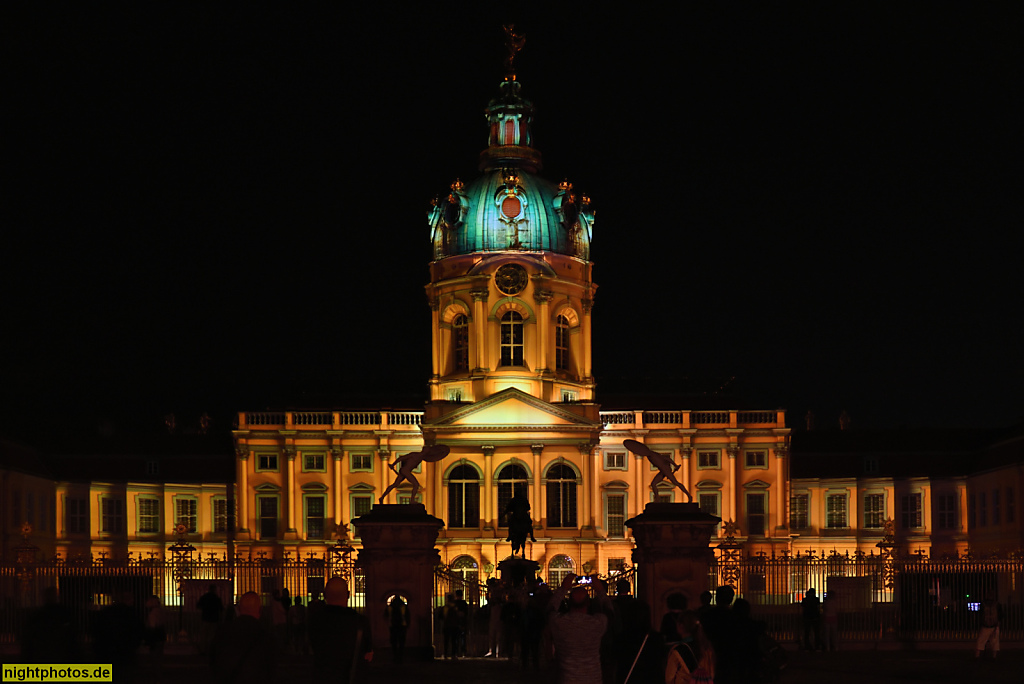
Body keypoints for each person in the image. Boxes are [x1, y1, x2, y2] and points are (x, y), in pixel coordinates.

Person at [547, 574, 609, 684]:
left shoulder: (559, 622)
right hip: (592, 679)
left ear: (568, 602)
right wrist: (600, 590)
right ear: (588, 603)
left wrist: (563, 589)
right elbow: (609, 611)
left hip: (567, 679)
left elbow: (550, 609)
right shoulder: (597, 623)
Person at [309, 577, 373, 683]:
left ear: (324, 595)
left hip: (324, 677)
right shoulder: (361, 622)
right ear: (347, 595)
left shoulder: (315, 620)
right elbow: (368, 654)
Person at [211, 591, 276, 683]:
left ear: (239, 609)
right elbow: (270, 669)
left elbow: (215, 662)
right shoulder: (265, 635)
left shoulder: (224, 632)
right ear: (259, 610)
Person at [196, 584, 223, 655]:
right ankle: (210, 650)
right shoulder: (216, 598)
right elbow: (221, 609)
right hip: (214, 619)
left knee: (204, 635)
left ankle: (203, 650)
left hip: (205, 618)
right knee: (211, 636)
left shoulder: (205, 597)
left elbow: (198, 605)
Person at [975, 593, 1002, 659]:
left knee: (980, 641)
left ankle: (977, 655)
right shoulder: (997, 604)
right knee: (995, 642)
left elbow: (980, 614)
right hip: (994, 625)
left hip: (985, 625)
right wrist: (998, 622)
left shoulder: (983, 604)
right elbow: (1001, 614)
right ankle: (994, 656)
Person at [387, 596, 409, 663]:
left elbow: (386, 616)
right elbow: (407, 616)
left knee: (394, 642)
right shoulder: (404, 607)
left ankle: (395, 656)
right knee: (401, 642)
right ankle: (400, 656)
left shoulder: (390, 607)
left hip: (393, 626)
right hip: (402, 626)